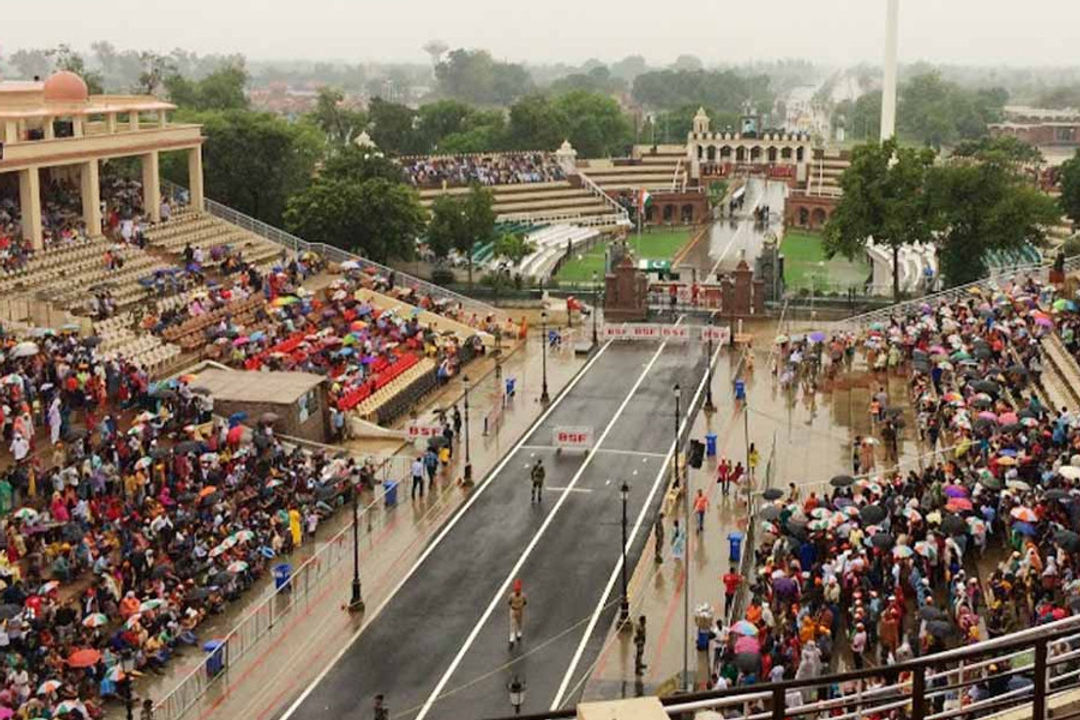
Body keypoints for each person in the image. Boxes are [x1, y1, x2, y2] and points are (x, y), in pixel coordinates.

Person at [508, 578, 527, 648]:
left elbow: (525, 602)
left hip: (519, 610)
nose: (517, 591)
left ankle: (519, 633)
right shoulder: (512, 596)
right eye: (516, 590)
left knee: (519, 622)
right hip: (514, 610)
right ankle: (512, 639)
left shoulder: (522, 595)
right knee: (512, 624)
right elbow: (509, 602)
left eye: (518, 590)